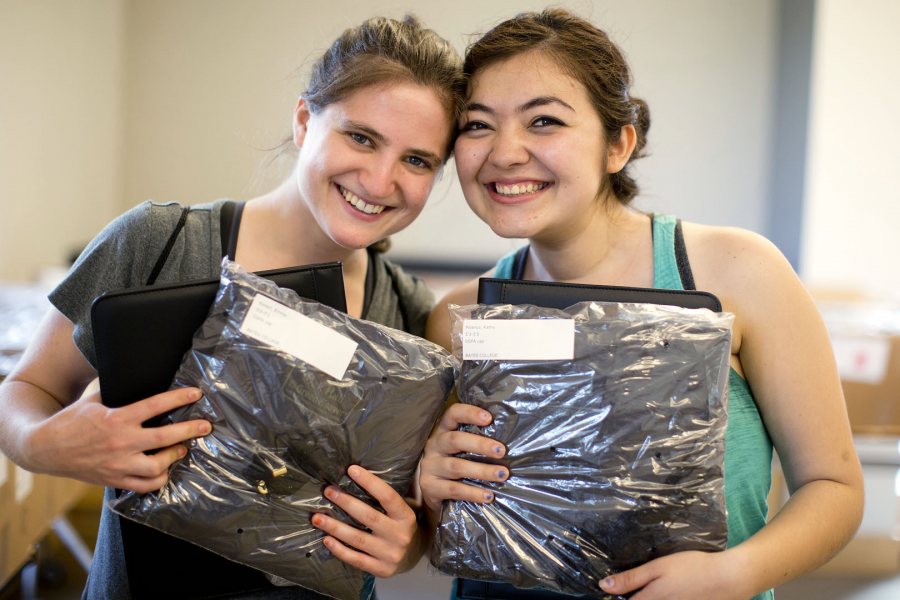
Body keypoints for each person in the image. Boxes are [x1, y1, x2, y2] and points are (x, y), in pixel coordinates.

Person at [0, 14, 464, 600]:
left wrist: (407, 546)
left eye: (417, 160)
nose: (378, 179)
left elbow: (417, 513)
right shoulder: (158, 242)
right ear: (304, 121)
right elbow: (24, 392)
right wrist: (45, 445)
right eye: (361, 137)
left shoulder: (410, 314)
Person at [420, 8, 864, 600]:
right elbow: (441, 530)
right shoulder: (457, 316)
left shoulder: (738, 272)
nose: (505, 152)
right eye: (478, 126)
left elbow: (833, 487)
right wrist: (430, 487)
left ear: (618, 144)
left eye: (544, 121)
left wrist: (732, 575)